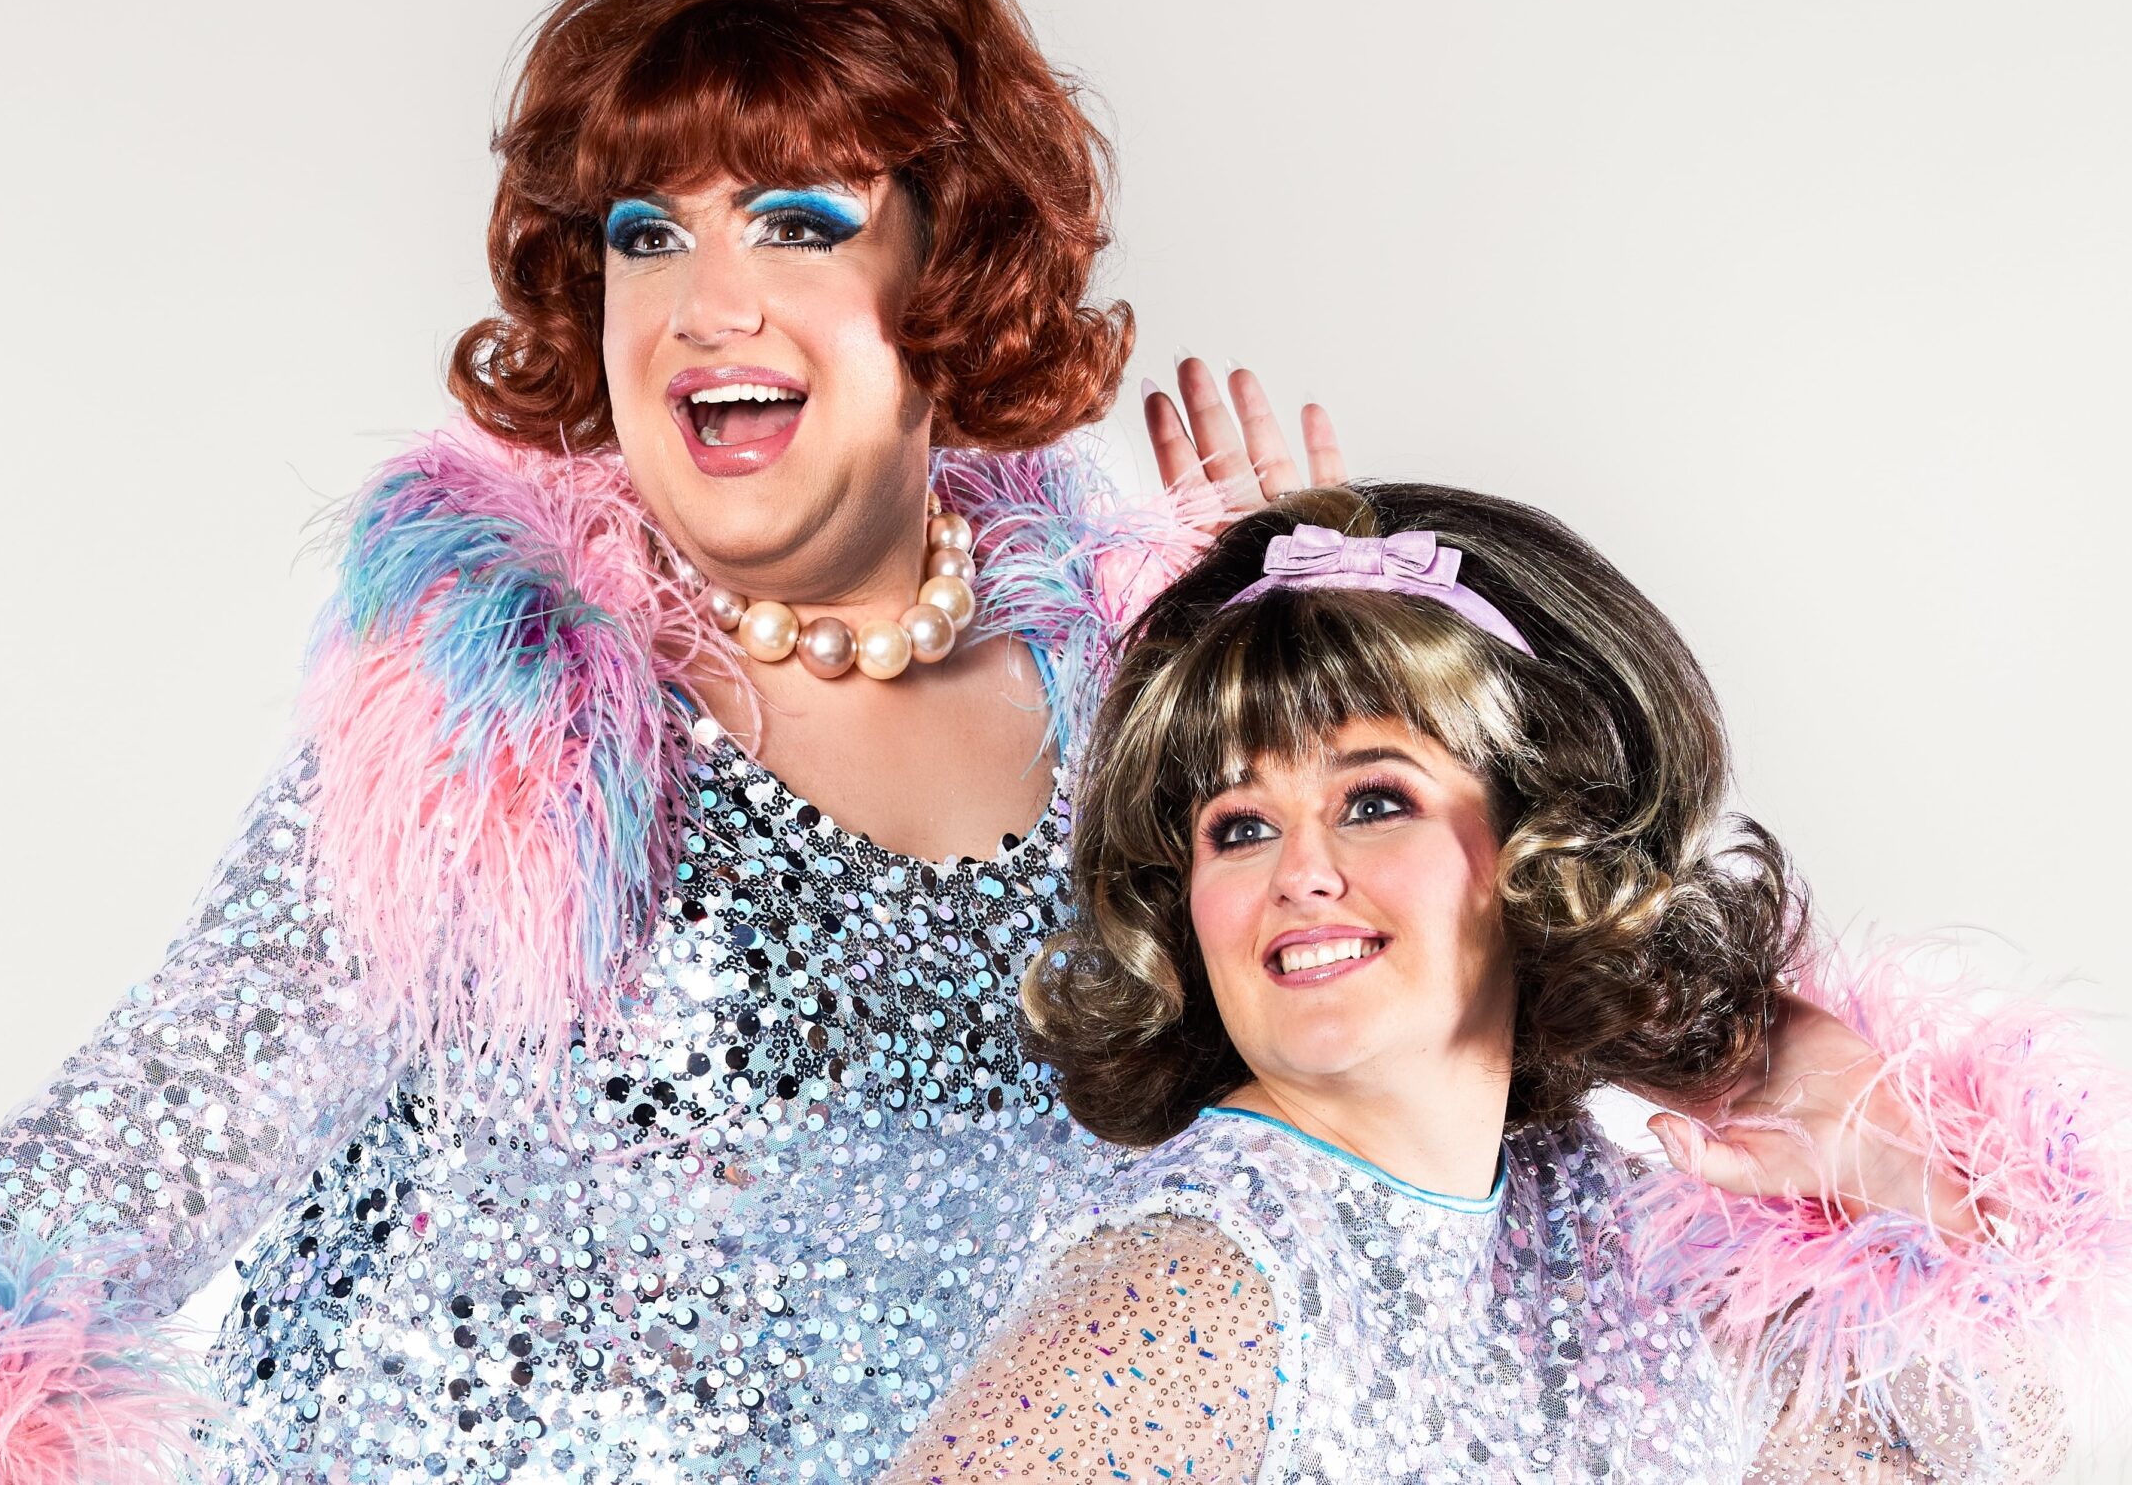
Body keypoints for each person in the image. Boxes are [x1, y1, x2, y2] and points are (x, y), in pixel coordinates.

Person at [0, 0, 1331, 1485]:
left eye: (797, 225)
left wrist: (1338, 706)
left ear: (953, 274)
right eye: (647, 237)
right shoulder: (504, 731)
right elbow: (115, 1170)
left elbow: (1321, 1174)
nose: (705, 306)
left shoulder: (1139, 715)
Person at [886, 486, 2129, 1483]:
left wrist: (1899, 1167)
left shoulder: (1594, 1223)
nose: (1297, 872)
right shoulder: (1195, 1283)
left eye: (1374, 799)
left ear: (1540, 847)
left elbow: (1960, 1451)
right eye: (1238, 826)